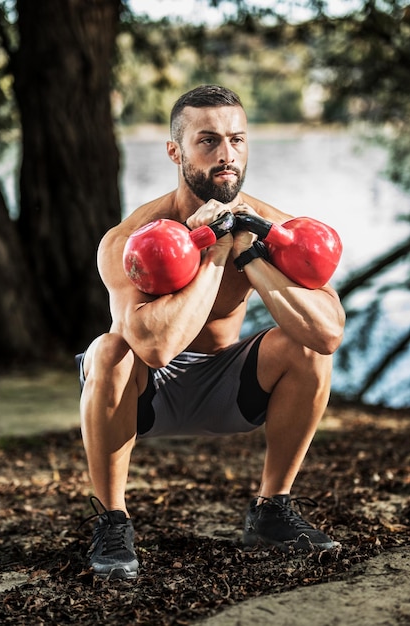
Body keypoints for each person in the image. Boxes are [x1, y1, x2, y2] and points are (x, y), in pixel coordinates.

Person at [77, 84, 345, 580]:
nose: (227, 155)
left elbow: (328, 333)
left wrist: (249, 250)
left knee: (307, 347)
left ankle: (272, 511)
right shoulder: (131, 238)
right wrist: (216, 251)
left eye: (237, 140)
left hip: (231, 391)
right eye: (208, 141)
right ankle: (113, 523)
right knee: (108, 349)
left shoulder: (275, 228)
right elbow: (153, 347)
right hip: (147, 395)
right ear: (175, 151)